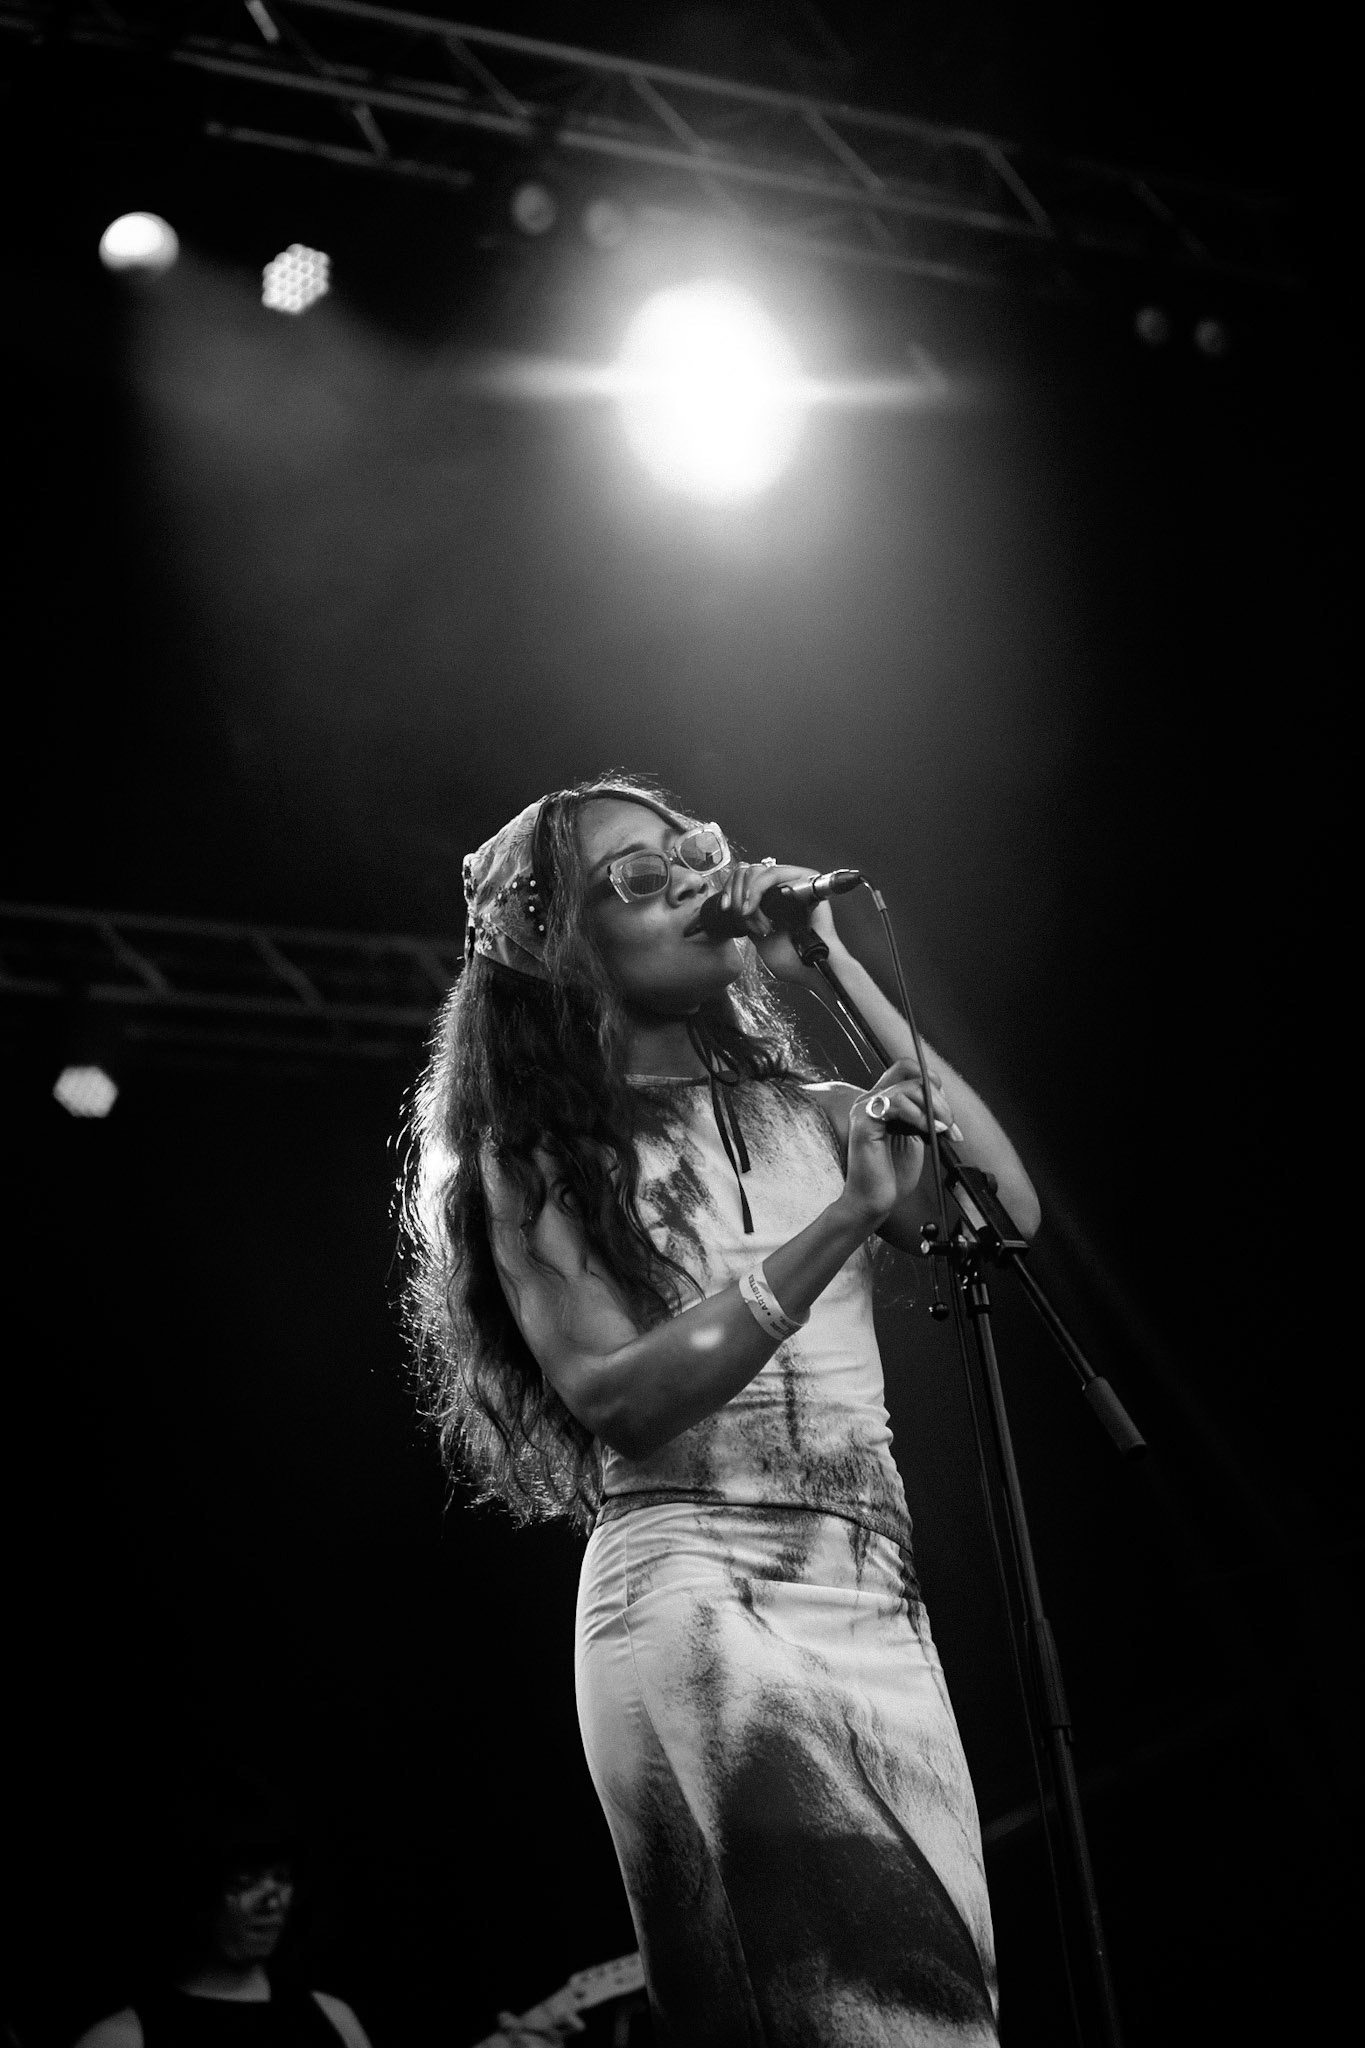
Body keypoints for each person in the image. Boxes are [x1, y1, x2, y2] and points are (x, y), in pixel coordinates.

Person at [406, 775, 1041, 2047]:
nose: (694, 880)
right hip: (697, 1591)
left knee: (948, 1999)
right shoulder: (531, 1153)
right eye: (635, 879)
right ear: (561, 950)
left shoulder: (816, 1115)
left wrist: (833, 966)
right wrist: (844, 1221)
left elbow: (997, 1213)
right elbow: (617, 1396)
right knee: (854, 2010)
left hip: (874, 1590)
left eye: (689, 852)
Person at [72, 1794, 373, 2048]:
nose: (273, 1902)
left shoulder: (334, 2018)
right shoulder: (121, 2038)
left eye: (282, 1878)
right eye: (246, 1881)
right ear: (199, 1891)